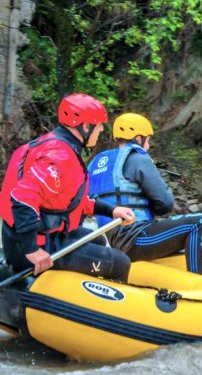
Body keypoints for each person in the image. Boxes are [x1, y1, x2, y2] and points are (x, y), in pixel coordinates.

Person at [87, 112, 202, 286]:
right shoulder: (137, 158)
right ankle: (200, 285)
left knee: (192, 227)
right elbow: (165, 203)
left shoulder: (98, 163)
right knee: (199, 223)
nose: (148, 146)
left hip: (115, 241)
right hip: (136, 239)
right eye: (148, 140)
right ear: (138, 138)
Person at [0, 93, 134, 281]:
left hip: (38, 236)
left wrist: (112, 211)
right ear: (86, 126)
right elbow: (23, 198)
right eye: (99, 125)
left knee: (96, 239)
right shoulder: (58, 156)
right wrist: (32, 250)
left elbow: (69, 201)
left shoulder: (56, 145)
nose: (102, 129)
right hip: (30, 246)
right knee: (120, 263)